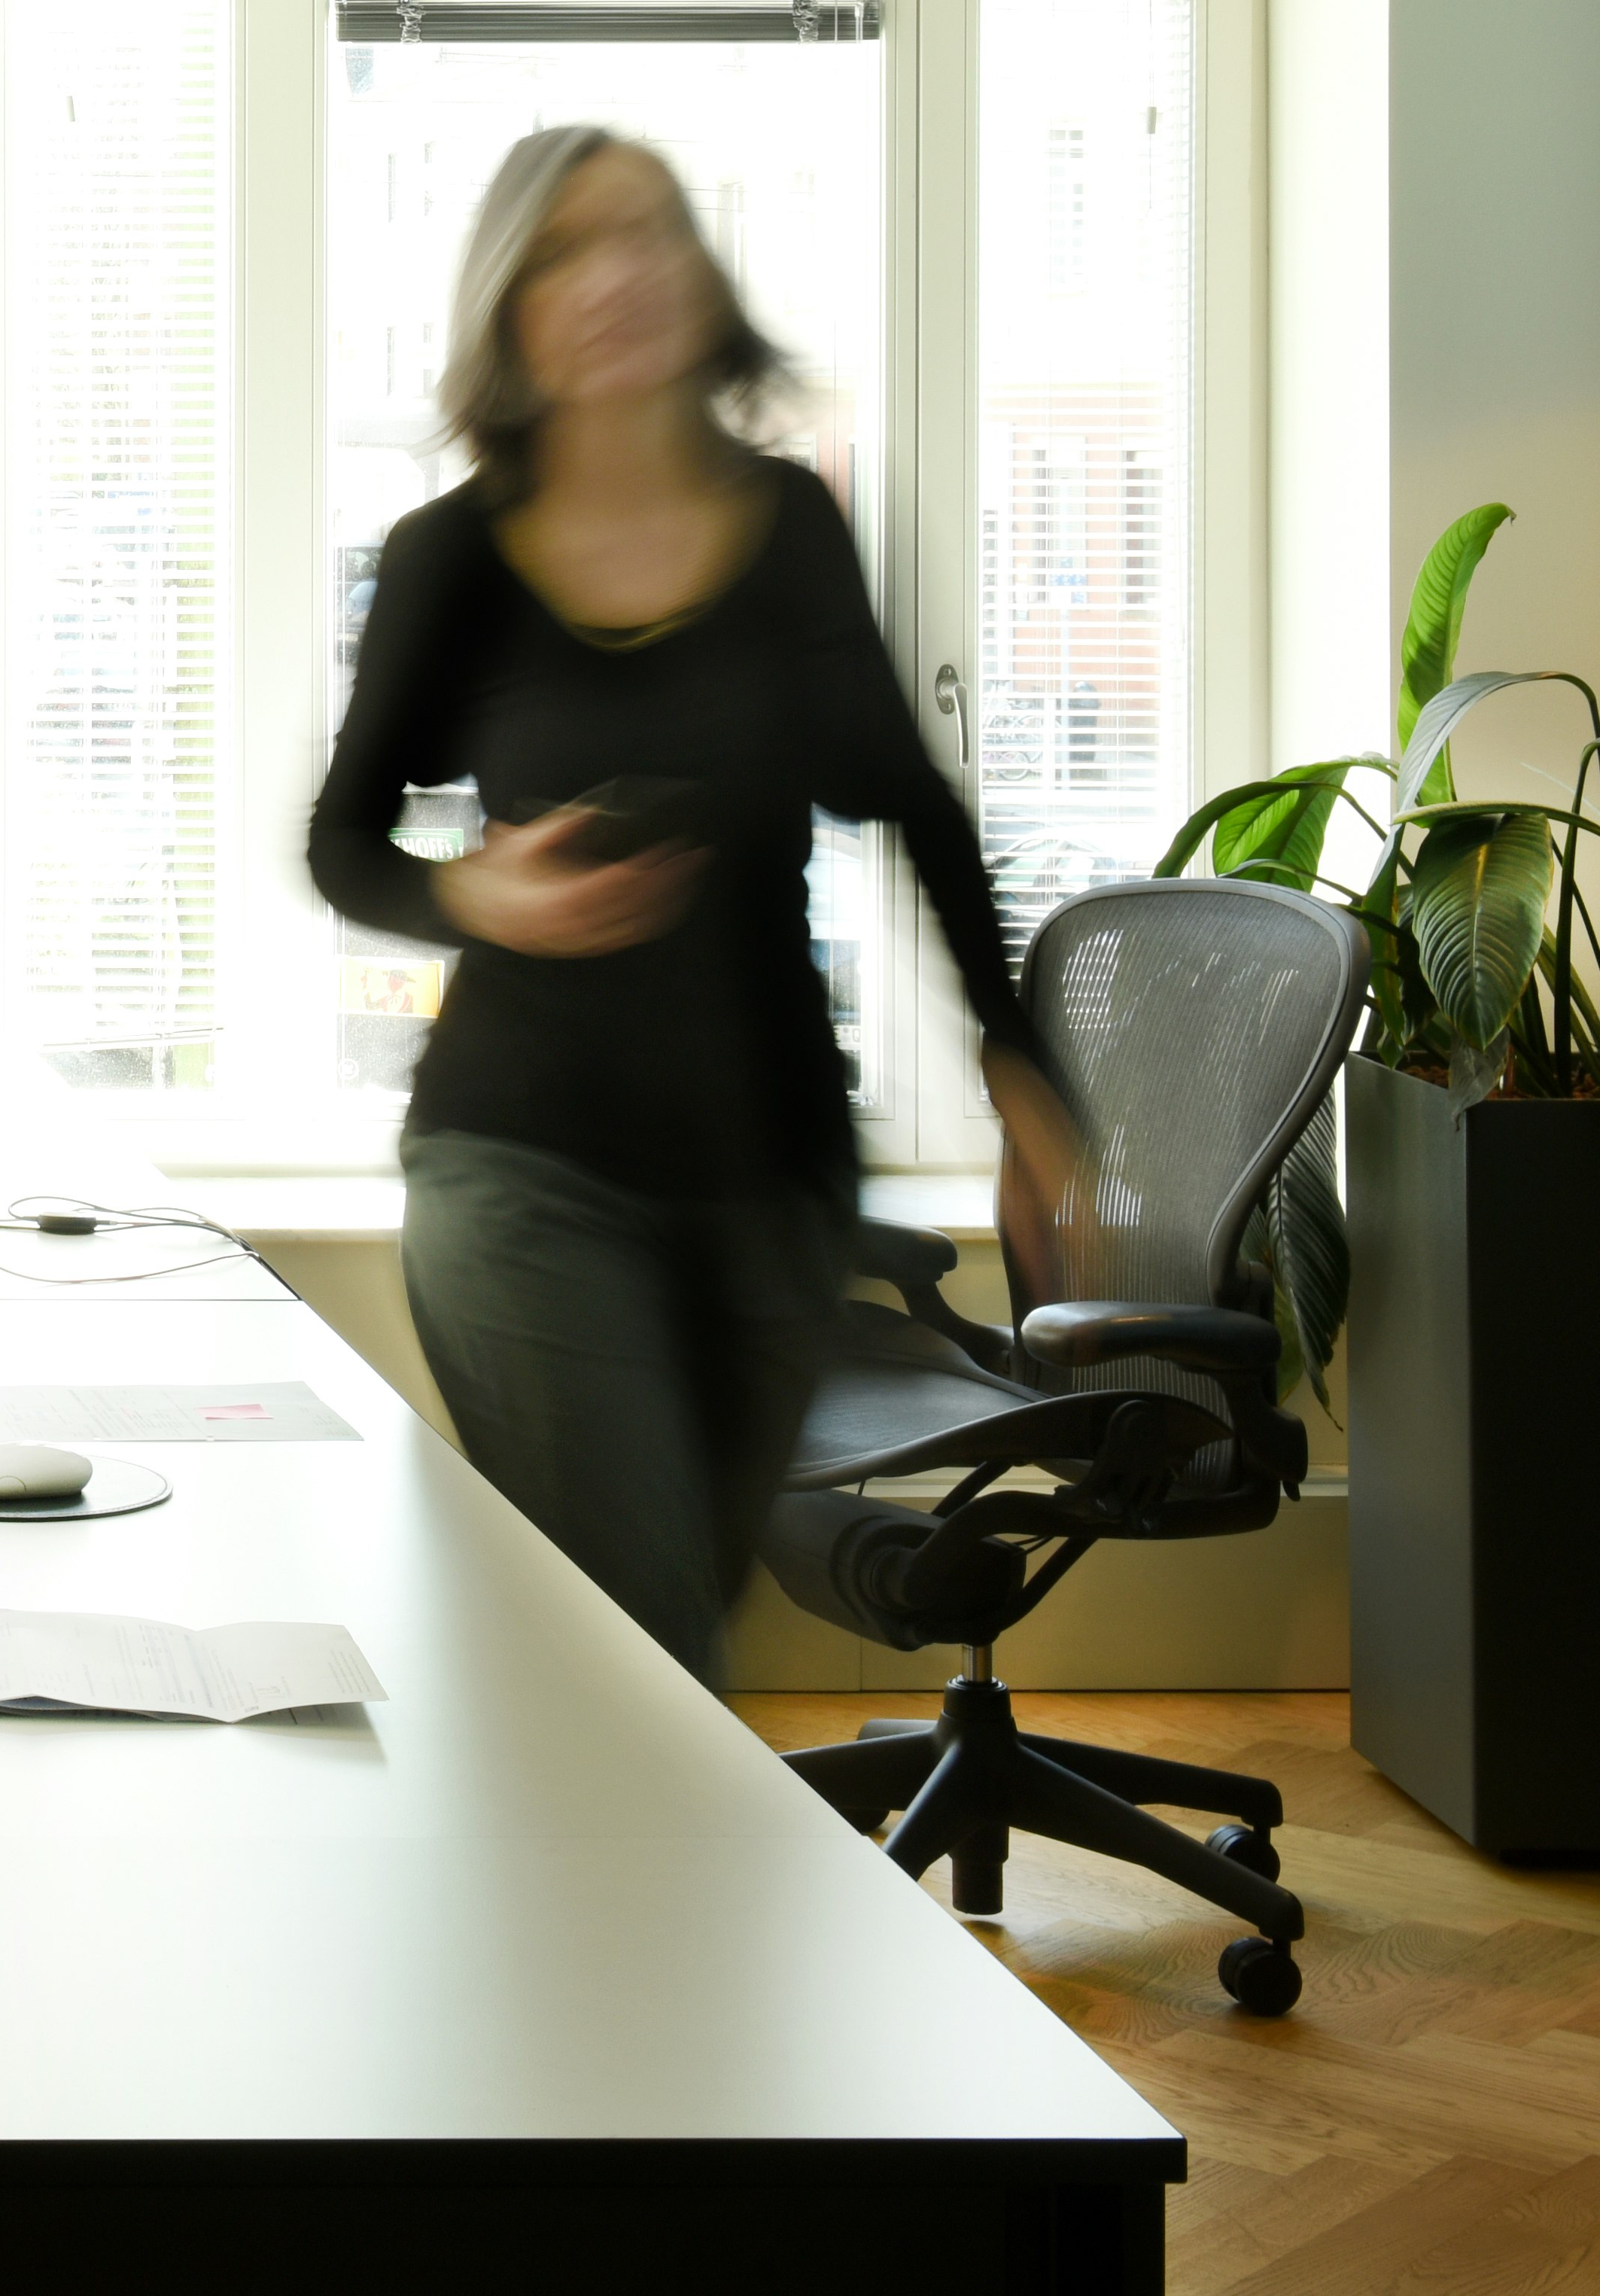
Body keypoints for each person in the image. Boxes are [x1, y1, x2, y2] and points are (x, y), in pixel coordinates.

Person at [304, 126, 1066, 1689]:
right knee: (652, 1639)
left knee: (671, 1633)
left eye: (648, 232)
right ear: (509, 308)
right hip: (522, 1164)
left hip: (766, 1176)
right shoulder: (450, 559)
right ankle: (634, 1927)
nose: (618, 274)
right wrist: (479, 894)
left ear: (700, 275)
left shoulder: (788, 527)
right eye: (569, 248)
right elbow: (339, 843)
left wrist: (1013, 1070)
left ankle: (588, 1906)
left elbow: (907, 799)